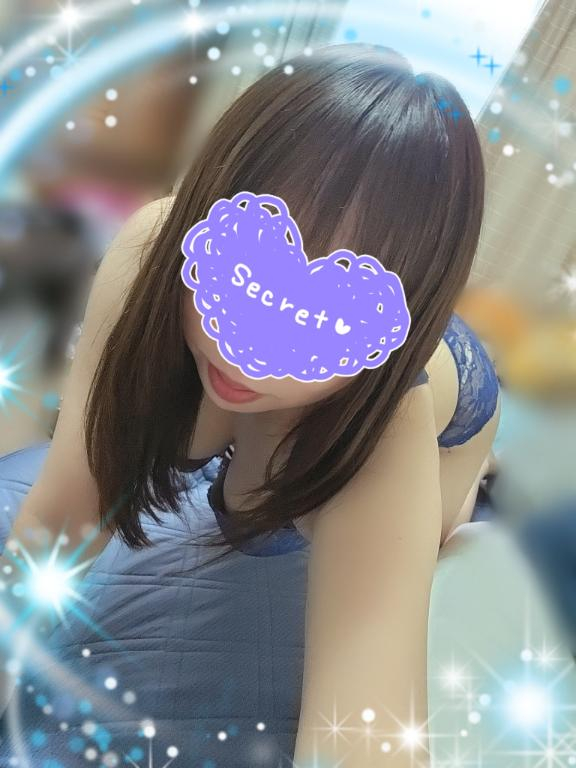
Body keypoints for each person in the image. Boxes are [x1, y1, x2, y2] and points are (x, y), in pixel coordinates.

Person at [0, 43, 501, 766]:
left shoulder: (385, 424)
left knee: (415, 543)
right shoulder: (152, 251)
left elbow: (365, 736)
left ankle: (470, 489)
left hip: (439, 399)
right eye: (243, 274)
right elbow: (61, 516)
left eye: (323, 318)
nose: (245, 355)